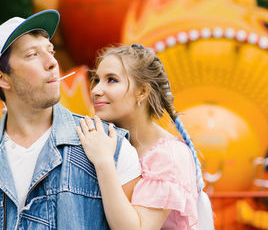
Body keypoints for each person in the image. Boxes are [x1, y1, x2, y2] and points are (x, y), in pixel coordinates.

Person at [0, 10, 141, 230]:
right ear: (1, 78)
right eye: (32, 54)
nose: (52, 62)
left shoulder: (110, 144)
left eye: (50, 51)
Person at [76, 44, 214, 229]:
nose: (95, 90)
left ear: (142, 91)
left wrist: (103, 162)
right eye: (96, 79)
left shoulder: (169, 156)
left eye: (111, 80)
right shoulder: (109, 141)